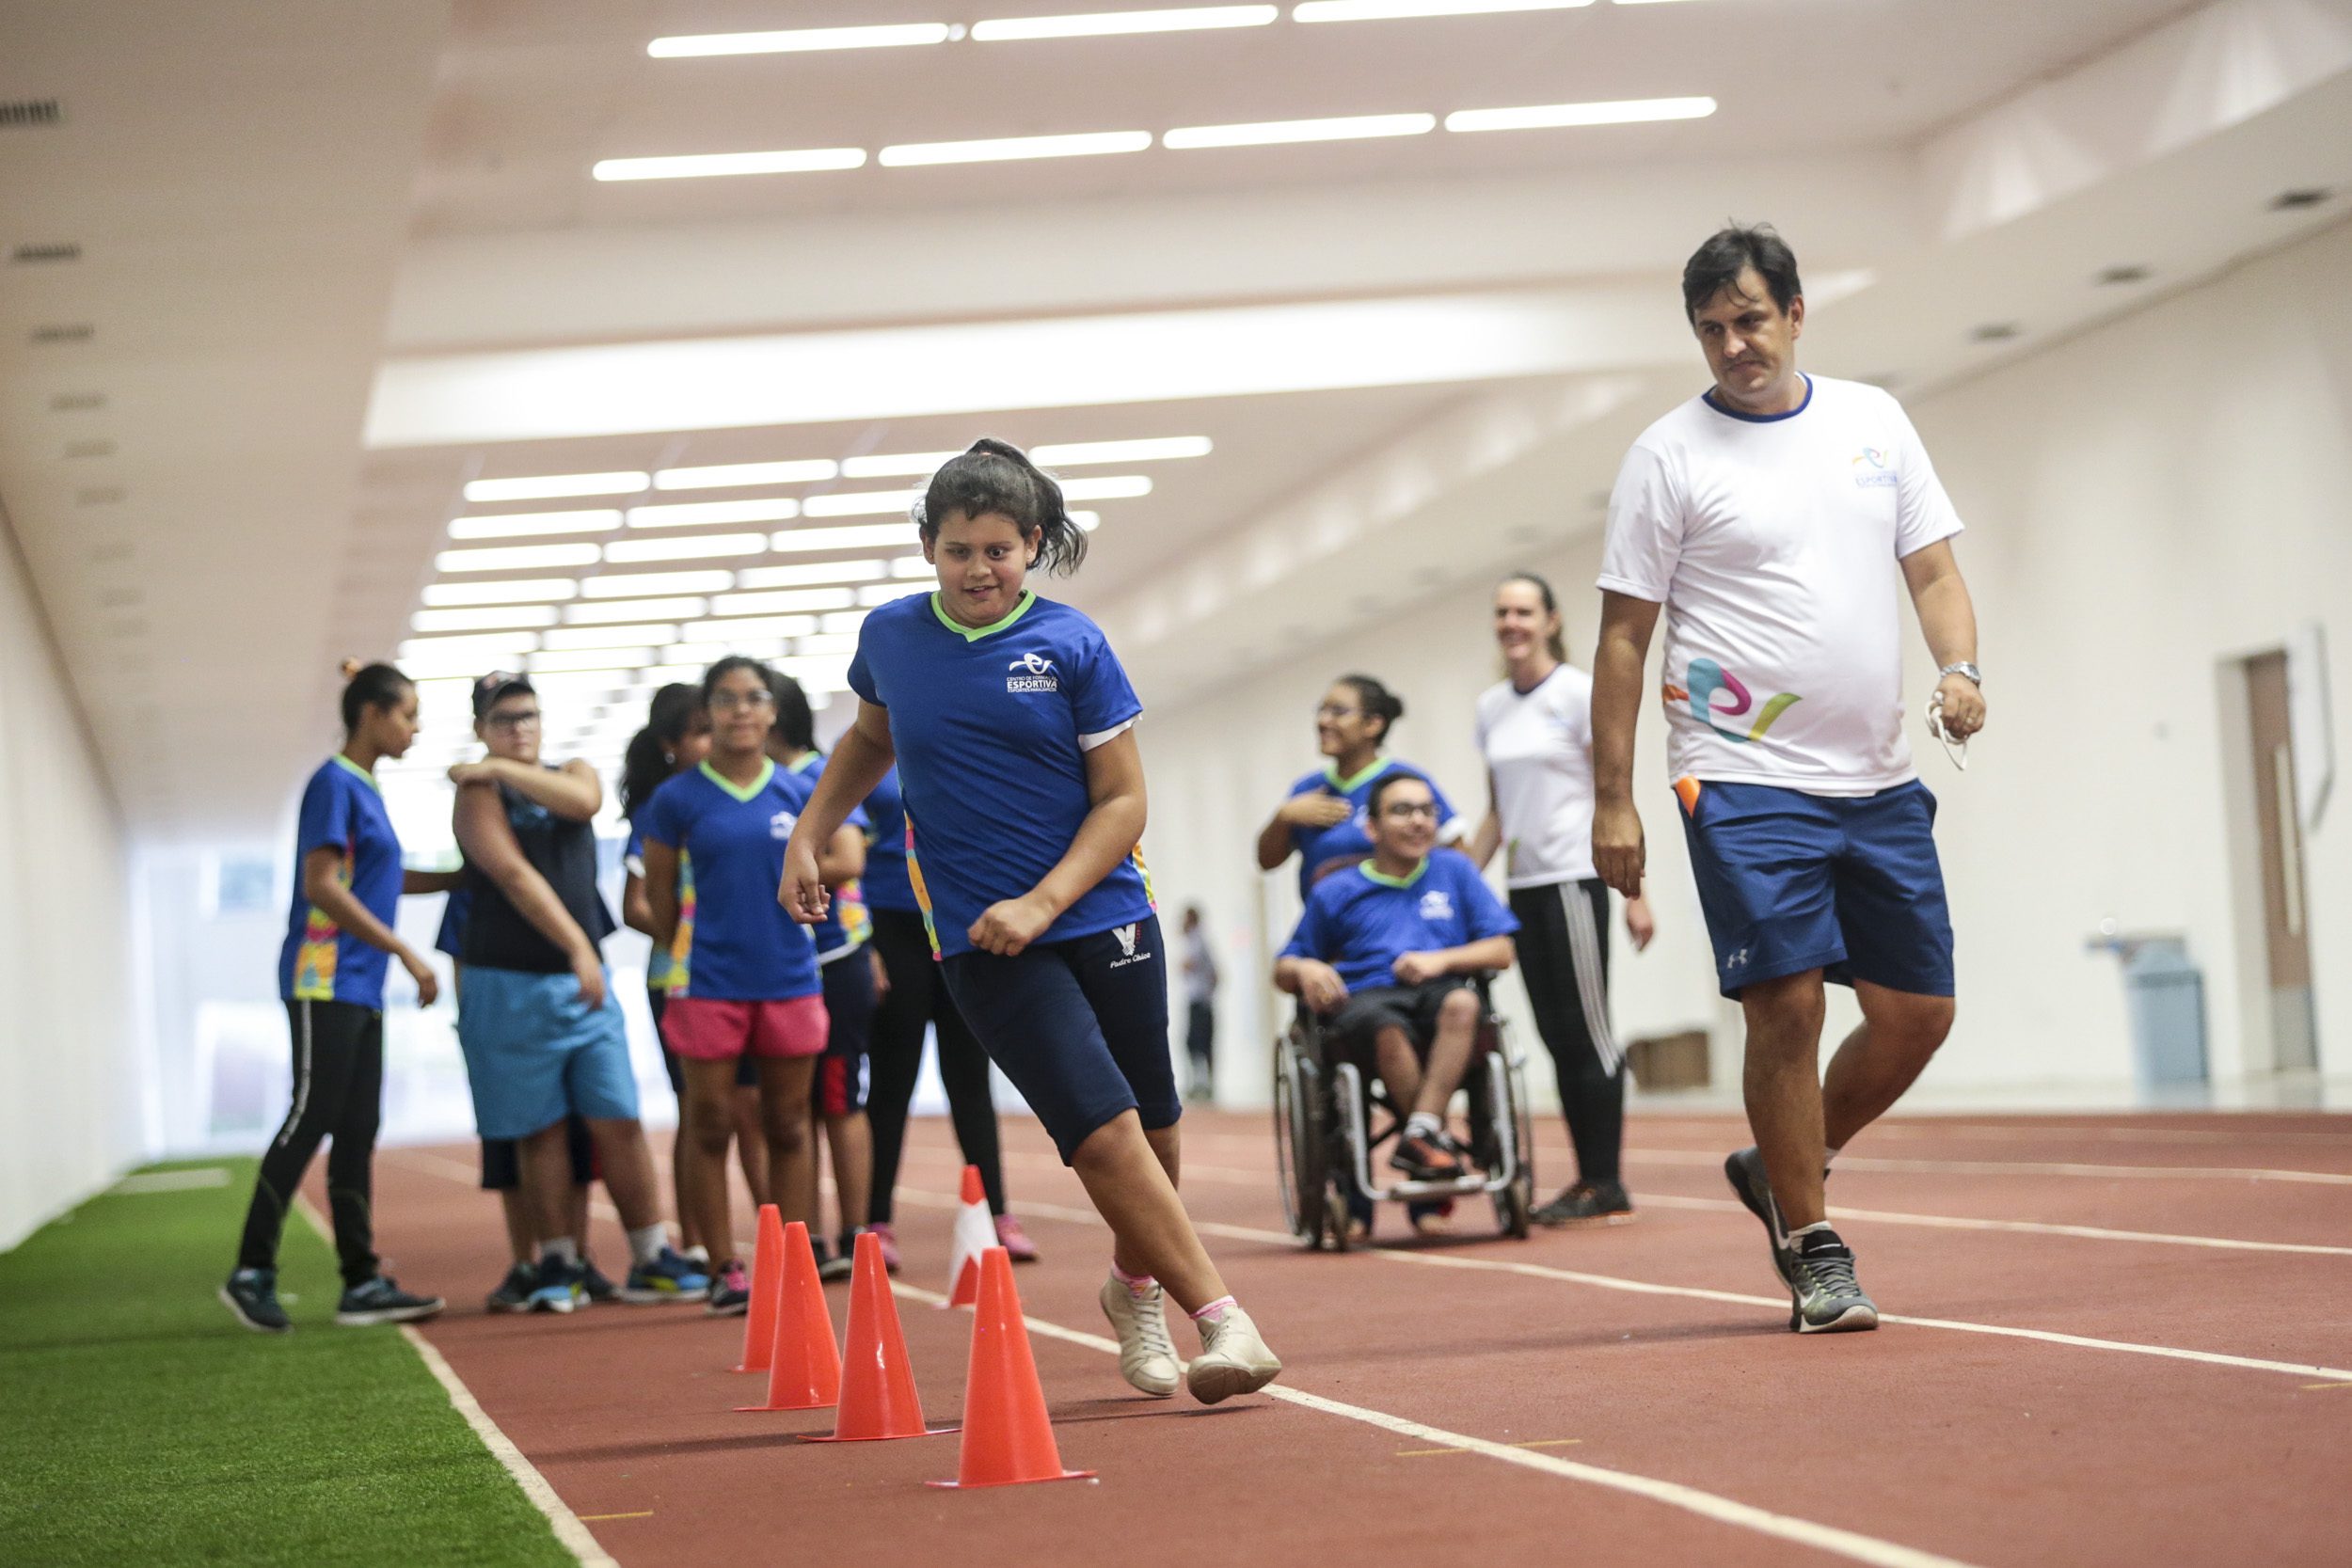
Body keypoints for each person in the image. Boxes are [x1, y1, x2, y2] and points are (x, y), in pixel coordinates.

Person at [782, 437, 1281, 1404]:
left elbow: (1123, 801)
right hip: (979, 935)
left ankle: (1131, 1287)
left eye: (1000, 549)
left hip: (1101, 911)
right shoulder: (890, 638)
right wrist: (808, 832)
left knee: (1155, 1129)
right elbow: (870, 739)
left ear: (1034, 544)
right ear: (927, 545)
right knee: (1099, 1131)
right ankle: (1225, 1320)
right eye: (960, 548)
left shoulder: (1072, 645)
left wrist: (1046, 899)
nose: (980, 569)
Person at [1590, 224, 1985, 1334]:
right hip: (1738, 769)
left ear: (1796, 312)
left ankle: (1779, 1167)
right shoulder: (1667, 455)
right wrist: (1613, 795)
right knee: (1788, 998)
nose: (1732, 345)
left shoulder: (1873, 421)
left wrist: (1959, 666)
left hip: (1876, 773)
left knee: (1918, 1012)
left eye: (1750, 320)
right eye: (1711, 330)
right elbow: (1624, 638)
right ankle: (1813, 1243)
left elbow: (1935, 567)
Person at [450, 672, 707, 1313]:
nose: (519, 728)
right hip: (510, 980)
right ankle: (559, 1259)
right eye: (504, 719)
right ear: (482, 727)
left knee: (617, 1116)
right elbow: (510, 872)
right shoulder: (474, 799)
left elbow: (584, 801)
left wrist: (493, 767)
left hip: (583, 983)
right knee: (540, 1130)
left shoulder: (567, 771)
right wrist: (574, 944)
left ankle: (650, 1254)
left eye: (528, 716)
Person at [223, 661, 453, 1333]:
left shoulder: (368, 789)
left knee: (357, 1128)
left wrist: (462, 880)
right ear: (372, 714)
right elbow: (324, 883)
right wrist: (405, 950)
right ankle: (250, 1271)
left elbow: (380, 875)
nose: (414, 727)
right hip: (322, 976)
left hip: (359, 984)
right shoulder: (333, 784)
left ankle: (361, 1280)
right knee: (312, 1114)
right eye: (408, 713)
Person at [638, 657, 860, 1314]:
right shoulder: (676, 798)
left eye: (754, 698)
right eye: (727, 699)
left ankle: (794, 1259)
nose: (741, 710)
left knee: (789, 1122)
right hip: (706, 982)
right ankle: (724, 1265)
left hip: (789, 977)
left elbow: (845, 856)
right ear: (708, 712)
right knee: (708, 1123)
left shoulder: (799, 792)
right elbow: (655, 893)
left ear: (772, 712)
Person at [1470, 572, 1657, 1227]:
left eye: (1524, 611)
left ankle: (1606, 1179)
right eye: (1502, 611)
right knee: (1556, 1036)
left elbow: (1614, 793)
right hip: (1521, 889)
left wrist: (1635, 892)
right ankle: (1587, 1179)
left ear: (1551, 620)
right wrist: (1461, 878)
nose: (1511, 622)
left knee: (1590, 1032)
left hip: (1576, 878)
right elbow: (1498, 811)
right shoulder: (1492, 706)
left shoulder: (1580, 692)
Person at [1276, 773, 1519, 1182]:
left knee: (1464, 1003)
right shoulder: (1336, 889)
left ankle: (1421, 1135)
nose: (1418, 821)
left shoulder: (1455, 871)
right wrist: (1306, 967)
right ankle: (1428, 1141)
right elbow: (1283, 969)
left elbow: (1501, 949)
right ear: (1371, 827)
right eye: (1402, 810)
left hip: (1439, 994)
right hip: (1367, 1000)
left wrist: (1439, 961)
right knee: (1383, 1026)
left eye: (1427, 811)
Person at [856, 758, 1034, 1274]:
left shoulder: (952, 728)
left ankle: (997, 1214)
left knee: (970, 1078)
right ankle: (876, 1220)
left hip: (959, 920)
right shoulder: (863, 748)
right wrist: (864, 942)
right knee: (893, 1083)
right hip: (892, 926)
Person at [618, 684, 768, 1268]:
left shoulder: (741, 801)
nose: (714, 740)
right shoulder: (666, 809)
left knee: (752, 1110)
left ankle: (780, 1236)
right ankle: (702, 1244)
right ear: (671, 746)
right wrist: (684, 939)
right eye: (700, 731)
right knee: (700, 1112)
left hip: (747, 976)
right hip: (678, 979)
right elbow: (635, 904)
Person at [436, 887, 611, 1310]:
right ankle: (525, 1263)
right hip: (504, 1034)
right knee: (512, 1149)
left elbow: (595, 946)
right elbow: (460, 959)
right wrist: (471, 1026)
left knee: (576, 1150)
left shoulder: (568, 876)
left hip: (572, 1028)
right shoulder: (477, 891)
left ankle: (576, 1258)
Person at [766, 669, 879, 1283]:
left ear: (774, 717)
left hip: (834, 957)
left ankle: (857, 1234)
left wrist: (782, 877)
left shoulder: (813, 776)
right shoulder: (762, 784)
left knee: (838, 1098)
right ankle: (805, 1238)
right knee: (795, 1109)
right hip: (782, 966)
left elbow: (851, 858)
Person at [1256, 673, 1464, 901]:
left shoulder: (1405, 783)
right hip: (1331, 928)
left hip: (1397, 920)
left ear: (1373, 724)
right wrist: (1283, 817)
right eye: (1321, 711)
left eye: (1338, 712)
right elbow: (1266, 862)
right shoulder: (1308, 789)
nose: (1323, 721)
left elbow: (1459, 855)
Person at [1180, 904, 1217, 1102]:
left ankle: (1202, 1084)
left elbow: (1189, 964)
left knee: (1198, 1043)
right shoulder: (1198, 939)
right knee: (1198, 1043)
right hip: (1201, 998)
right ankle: (1202, 1082)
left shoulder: (1196, 938)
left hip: (1200, 1000)